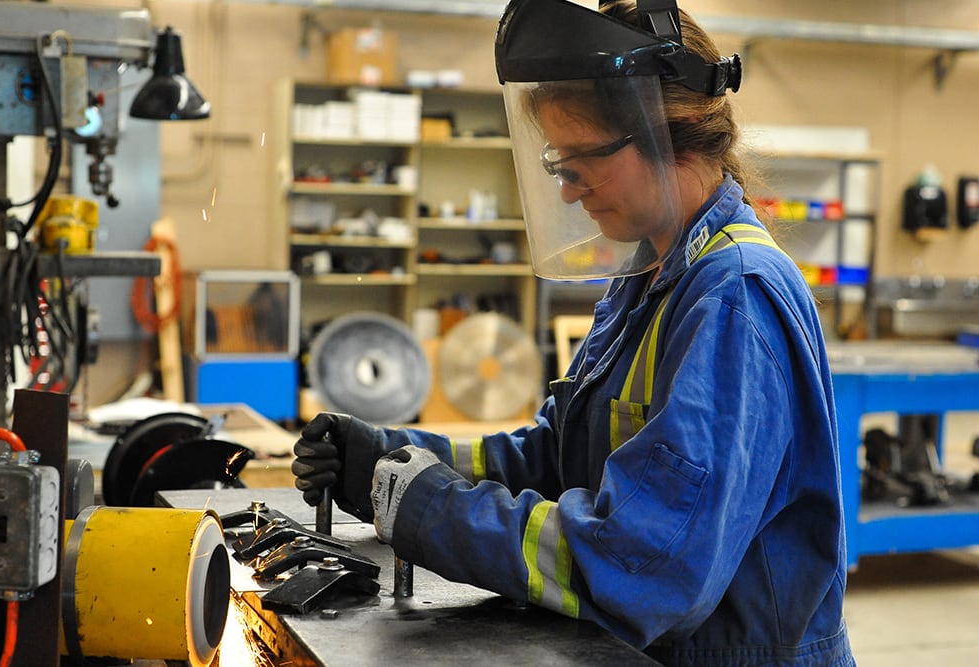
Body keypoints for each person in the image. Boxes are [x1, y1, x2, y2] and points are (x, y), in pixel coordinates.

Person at [292, 0, 855, 664]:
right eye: (560, 166)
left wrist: (430, 512)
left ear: (660, 132)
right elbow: (561, 458)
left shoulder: (732, 294)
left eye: (581, 163)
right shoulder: (646, 275)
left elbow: (650, 564)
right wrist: (394, 458)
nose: (567, 193)